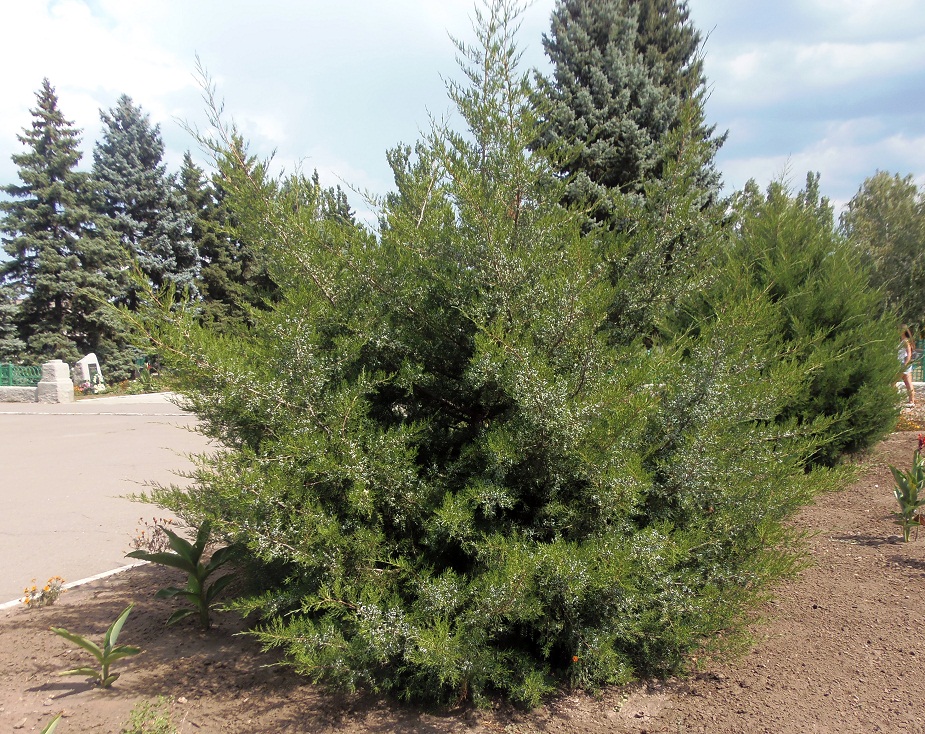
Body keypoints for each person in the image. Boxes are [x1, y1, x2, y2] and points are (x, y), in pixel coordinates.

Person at [898, 325, 916, 407]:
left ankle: (895, 399)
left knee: (892, 382)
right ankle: (911, 401)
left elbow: (909, 354)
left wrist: (905, 364)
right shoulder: (903, 340)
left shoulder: (905, 341)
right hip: (904, 364)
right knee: (908, 382)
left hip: (903, 364)